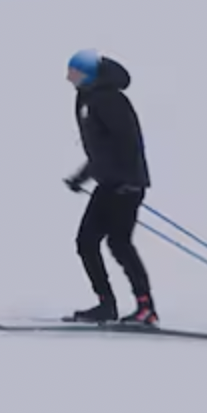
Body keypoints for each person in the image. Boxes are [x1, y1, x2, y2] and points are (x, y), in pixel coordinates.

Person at [62, 50, 156, 326]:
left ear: (89, 74)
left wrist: (126, 179)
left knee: (114, 243)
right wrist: (82, 177)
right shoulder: (90, 98)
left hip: (124, 185)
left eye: (75, 73)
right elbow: (101, 150)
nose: (69, 78)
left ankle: (145, 308)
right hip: (111, 183)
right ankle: (107, 305)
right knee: (90, 243)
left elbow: (126, 143)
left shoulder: (110, 100)